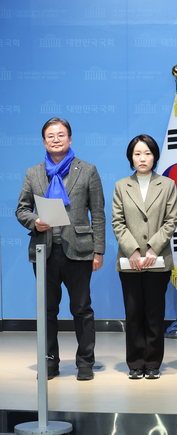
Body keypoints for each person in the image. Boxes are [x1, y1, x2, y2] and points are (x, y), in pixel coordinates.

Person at [15, 117, 106, 381]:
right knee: (47, 311)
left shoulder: (87, 170)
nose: (56, 139)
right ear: (44, 141)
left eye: (61, 135)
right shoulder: (33, 173)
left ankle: (85, 362)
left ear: (70, 138)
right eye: (50, 136)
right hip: (44, 252)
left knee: (81, 309)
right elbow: (21, 210)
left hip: (79, 249)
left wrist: (98, 250)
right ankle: (49, 362)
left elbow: (97, 214)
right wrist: (36, 222)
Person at [112, 135, 177, 379]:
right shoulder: (121, 186)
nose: (143, 158)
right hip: (130, 260)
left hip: (158, 260)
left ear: (155, 156)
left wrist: (152, 248)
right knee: (133, 314)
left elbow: (171, 220)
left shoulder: (167, 184)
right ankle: (135, 364)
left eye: (148, 153)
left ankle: (152, 364)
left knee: (154, 314)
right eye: (138, 153)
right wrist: (134, 250)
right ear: (131, 157)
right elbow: (117, 222)